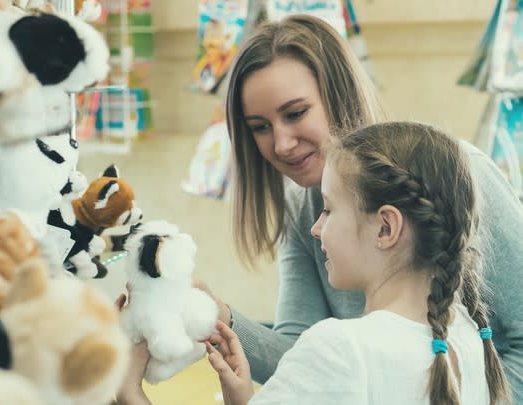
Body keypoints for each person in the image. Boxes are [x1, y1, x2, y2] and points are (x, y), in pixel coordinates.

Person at [199, 13, 523, 402]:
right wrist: (220, 317)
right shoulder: (299, 208)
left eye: (296, 113)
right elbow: (302, 357)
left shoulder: (460, 174)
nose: (281, 144)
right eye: (259, 126)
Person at [205, 121, 511, 404]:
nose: (315, 228)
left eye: (328, 209)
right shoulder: (468, 334)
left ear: (385, 228)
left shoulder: (339, 348)